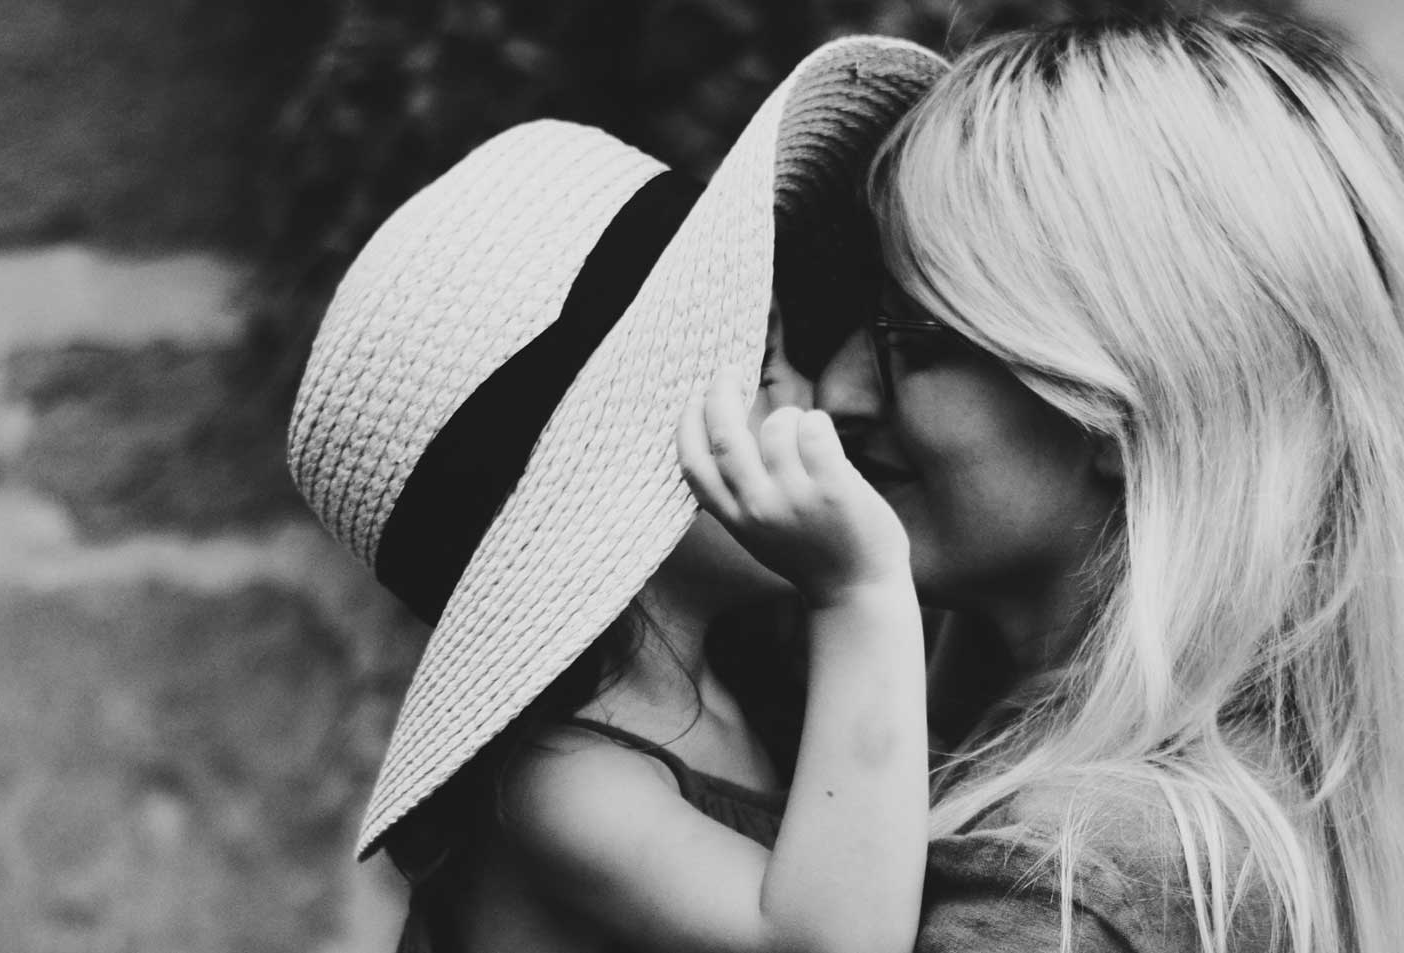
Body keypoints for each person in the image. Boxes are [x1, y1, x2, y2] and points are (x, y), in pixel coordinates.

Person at [808, 12, 1404, 953]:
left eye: (910, 342)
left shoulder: (1054, 891)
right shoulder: (1285, 808)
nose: (837, 390)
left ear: (1125, 410)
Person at [285, 38, 949, 953]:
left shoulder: (747, 680)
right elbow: (832, 942)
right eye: (765, 371)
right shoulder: (563, 782)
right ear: (619, 484)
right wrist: (861, 593)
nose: (815, 397)